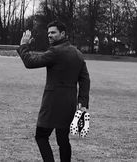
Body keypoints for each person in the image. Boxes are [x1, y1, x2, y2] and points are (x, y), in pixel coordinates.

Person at [16, 20, 90, 162]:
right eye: (48, 33)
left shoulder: (55, 51)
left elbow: (30, 62)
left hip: (52, 103)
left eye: (53, 32)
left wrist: (24, 45)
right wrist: (82, 102)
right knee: (63, 140)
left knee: (41, 136)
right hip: (69, 103)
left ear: (62, 33)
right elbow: (85, 80)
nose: (49, 35)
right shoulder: (78, 53)